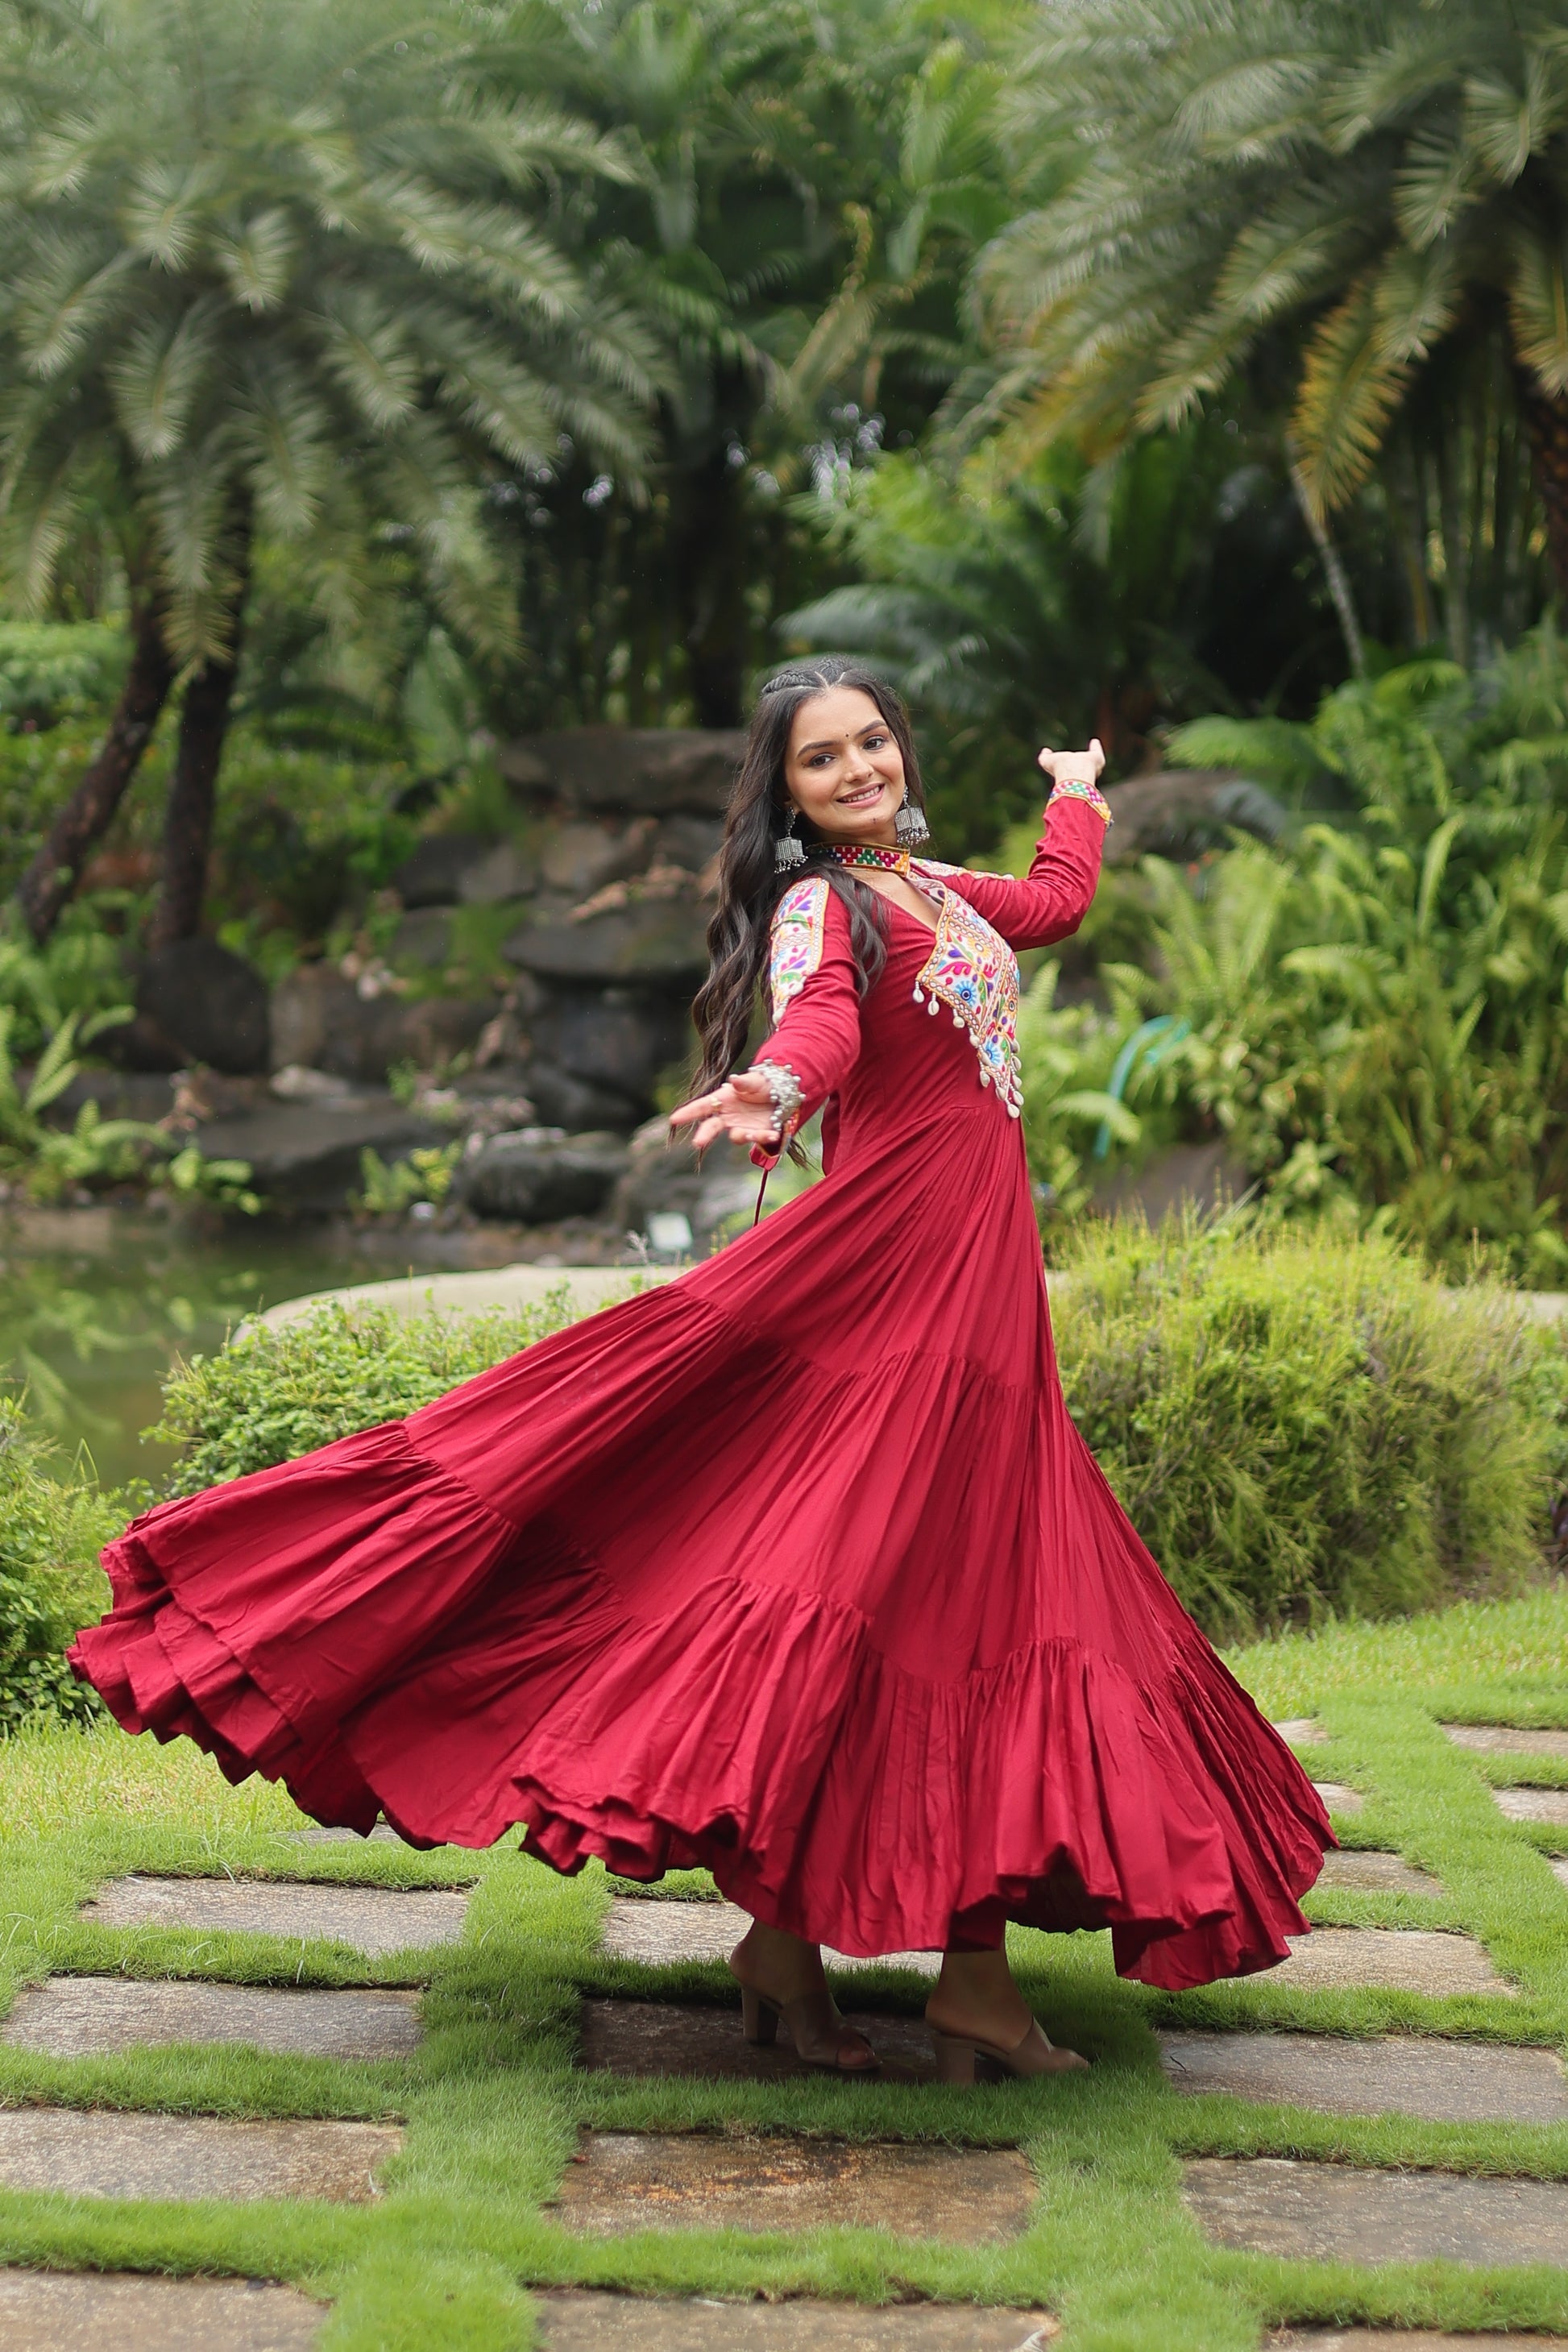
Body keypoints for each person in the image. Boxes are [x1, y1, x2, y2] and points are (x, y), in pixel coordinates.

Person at [70, 657, 1331, 2085]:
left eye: (871, 742)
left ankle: (798, 1956)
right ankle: (953, 1980)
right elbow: (822, 1026)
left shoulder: (930, 884)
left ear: (900, 750)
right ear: (783, 793)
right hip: (900, 1278)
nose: (857, 768)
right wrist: (776, 1084)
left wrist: (1077, 801)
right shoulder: (821, 905)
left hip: (980, 1289)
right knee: (908, 1583)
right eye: (820, 759)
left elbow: (1053, 908)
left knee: (947, 1585)